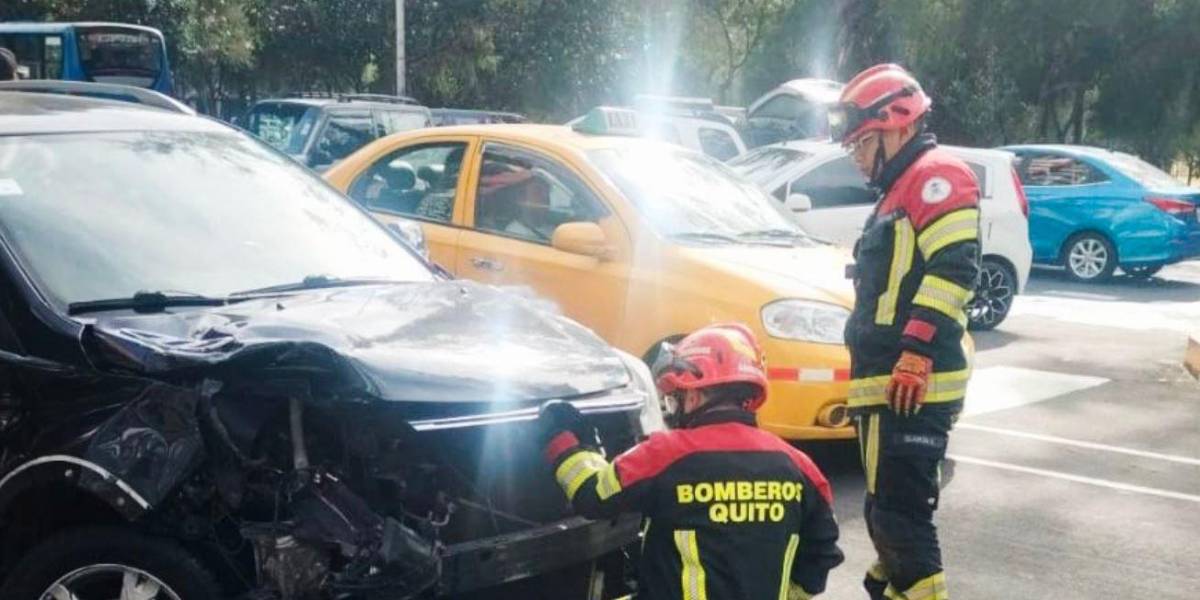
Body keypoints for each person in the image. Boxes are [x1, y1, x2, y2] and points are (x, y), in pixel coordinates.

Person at [535, 323, 843, 600]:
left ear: (694, 396)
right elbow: (823, 548)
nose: (676, 407)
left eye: (677, 397)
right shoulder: (801, 467)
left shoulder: (666, 454)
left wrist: (561, 437)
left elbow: (592, 495)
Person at [829, 63, 980, 600]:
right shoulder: (899, 190)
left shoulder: (936, 177)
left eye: (861, 142)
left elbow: (953, 268)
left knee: (898, 519)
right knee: (886, 517)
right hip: (887, 385)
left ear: (894, 125)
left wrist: (915, 353)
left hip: (913, 384)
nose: (857, 156)